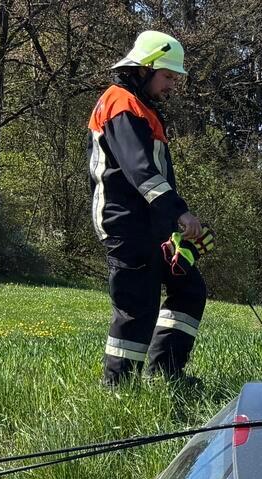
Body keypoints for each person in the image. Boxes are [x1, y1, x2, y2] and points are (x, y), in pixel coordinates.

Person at [89, 31, 211, 387]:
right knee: (136, 306)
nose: (172, 85)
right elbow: (141, 172)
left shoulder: (141, 108)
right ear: (144, 68)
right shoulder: (120, 103)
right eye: (168, 76)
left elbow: (152, 176)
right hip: (127, 225)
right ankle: (118, 389)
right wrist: (180, 213)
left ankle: (164, 375)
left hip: (154, 226)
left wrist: (173, 220)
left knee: (189, 290)